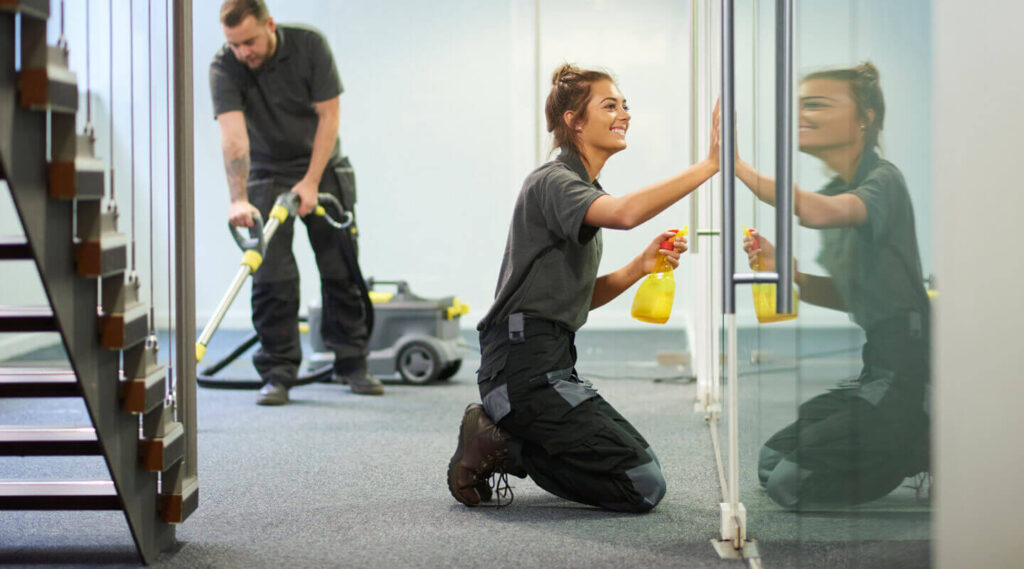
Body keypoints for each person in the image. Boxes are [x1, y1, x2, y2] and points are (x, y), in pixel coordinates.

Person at [446, 64, 720, 512]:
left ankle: (509, 436)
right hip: (519, 372)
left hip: (550, 365)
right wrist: (710, 165)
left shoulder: (581, 187)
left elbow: (571, 298)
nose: (624, 114)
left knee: (640, 468)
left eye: (625, 104)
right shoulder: (554, 181)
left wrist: (639, 267)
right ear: (574, 120)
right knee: (642, 486)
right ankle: (500, 442)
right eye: (609, 105)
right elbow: (626, 213)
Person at [738, 62, 930, 508]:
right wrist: (795, 276)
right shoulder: (839, 186)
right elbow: (854, 296)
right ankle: (904, 437)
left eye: (816, 104)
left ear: (864, 117)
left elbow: (819, 211)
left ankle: (918, 441)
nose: (801, 115)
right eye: (799, 105)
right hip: (875, 370)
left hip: (906, 375)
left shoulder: (884, 181)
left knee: (791, 484)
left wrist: (737, 168)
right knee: (772, 461)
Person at [210, 0, 382, 405]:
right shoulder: (225, 65)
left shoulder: (309, 46)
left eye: (249, 41)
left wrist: (310, 181)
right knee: (272, 278)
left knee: (340, 269)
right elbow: (234, 137)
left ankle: (351, 364)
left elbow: (329, 117)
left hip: (321, 167)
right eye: (234, 45)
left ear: (269, 24)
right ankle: (278, 372)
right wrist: (238, 199)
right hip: (267, 174)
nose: (242, 52)